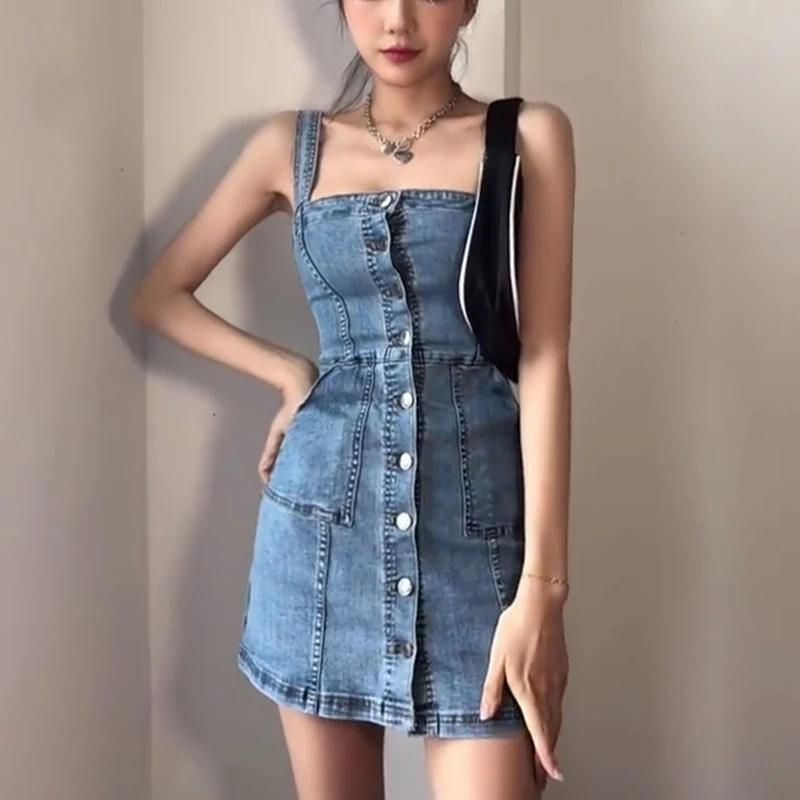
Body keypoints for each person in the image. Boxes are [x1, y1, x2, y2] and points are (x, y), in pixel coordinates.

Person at [131, 0, 575, 797]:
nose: (397, 20)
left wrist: (543, 589)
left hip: (477, 550)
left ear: (470, 3)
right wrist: (288, 371)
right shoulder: (289, 148)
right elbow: (160, 295)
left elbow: (543, 361)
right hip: (318, 547)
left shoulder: (527, 138)